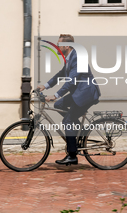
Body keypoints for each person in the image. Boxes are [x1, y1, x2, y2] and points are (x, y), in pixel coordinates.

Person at [37, 34, 101, 165]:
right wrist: (45, 86)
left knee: (68, 121)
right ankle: (79, 130)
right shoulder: (69, 58)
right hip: (78, 94)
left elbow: (71, 80)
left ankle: (72, 156)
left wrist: (55, 95)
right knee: (59, 105)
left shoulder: (78, 57)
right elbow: (60, 75)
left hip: (86, 94)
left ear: (66, 46)